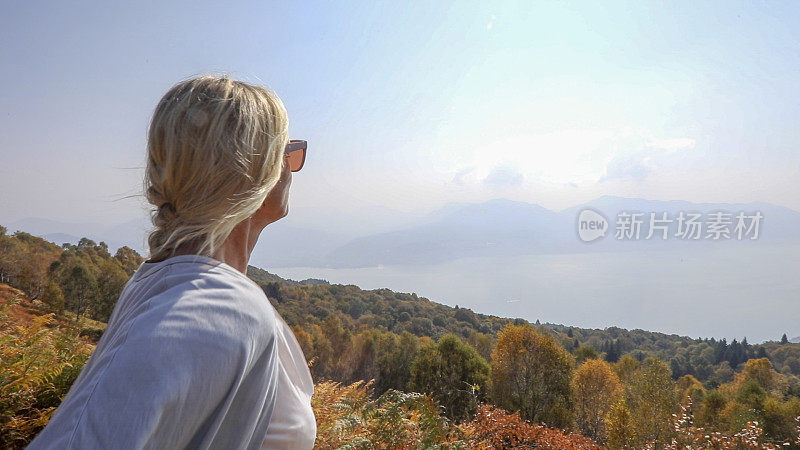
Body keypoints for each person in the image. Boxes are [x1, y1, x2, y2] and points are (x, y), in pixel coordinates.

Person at [28, 75, 316, 449]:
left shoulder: (164, 282)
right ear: (255, 171)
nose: (293, 167)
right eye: (288, 152)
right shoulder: (216, 307)